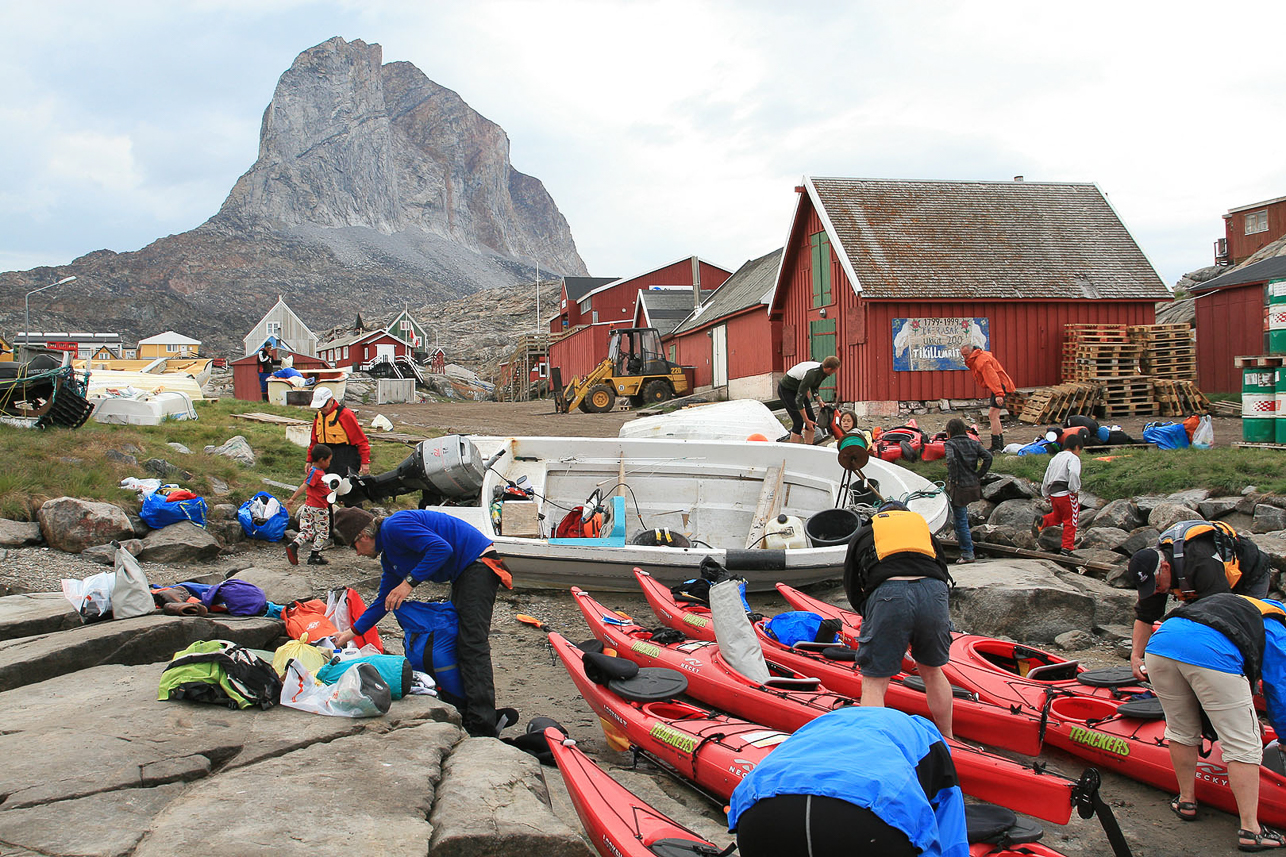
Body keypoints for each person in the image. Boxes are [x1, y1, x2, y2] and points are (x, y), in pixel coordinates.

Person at [331, 507, 514, 737]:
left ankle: (483, 725)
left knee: (472, 644)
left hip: (478, 564)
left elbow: (441, 549)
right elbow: (384, 602)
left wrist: (408, 583)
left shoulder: (395, 526)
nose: (357, 554)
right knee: (456, 640)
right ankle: (468, 710)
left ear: (363, 536)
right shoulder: (390, 557)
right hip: (463, 572)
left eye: (353, 546)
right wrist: (350, 633)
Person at [1144, 592, 1286, 851]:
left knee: (1180, 728)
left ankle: (1186, 800)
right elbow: (1279, 690)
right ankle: (1250, 830)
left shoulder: (1244, 602)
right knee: (1243, 744)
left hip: (1160, 644)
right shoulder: (1278, 627)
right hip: (1212, 654)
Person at [728, 706, 967, 857]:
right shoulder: (930, 740)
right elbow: (949, 825)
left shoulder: (819, 726)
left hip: (761, 815)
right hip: (862, 826)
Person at [844, 502, 954, 738]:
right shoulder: (922, 530)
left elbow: (852, 584)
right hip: (934, 592)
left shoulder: (866, 532)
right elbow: (943, 571)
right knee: (932, 670)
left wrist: (868, 613)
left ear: (880, 515)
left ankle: (874, 742)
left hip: (888, 593)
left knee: (874, 679)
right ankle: (949, 736)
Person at [1129, 523, 1274, 682]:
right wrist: (1136, 656)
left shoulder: (1199, 560)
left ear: (1165, 567)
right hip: (1209, 586)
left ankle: (1250, 679)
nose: (1154, 591)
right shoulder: (1156, 576)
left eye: (1155, 585)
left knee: (1243, 628)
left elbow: (1223, 614)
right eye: (1149, 588)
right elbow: (1144, 617)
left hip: (1249, 576)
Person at [943, 418, 991, 564]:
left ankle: (967, 553)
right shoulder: (974, 443)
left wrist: (954, 477)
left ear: (949, 432)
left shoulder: (950, 444)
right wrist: (979, 475)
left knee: (960, 520)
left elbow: (951, 460)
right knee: (962, 517)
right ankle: (964, 544)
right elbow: (988, 457)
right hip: (973, 485)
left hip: (959, 486)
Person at [1034, 431, 1083, 557]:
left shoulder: (1055, 458)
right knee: (1071, 520)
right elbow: (1073, 473)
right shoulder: (1073, 458)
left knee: (1058, 516)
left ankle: (1042, 522)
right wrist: (1074, 489)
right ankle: (1067, 547)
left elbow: (1047, 477)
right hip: (1066, 493)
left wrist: (1045, 494)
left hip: (1053, 494)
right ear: (1077, 447)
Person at [959, 343, 1015, 452]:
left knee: (993, 415)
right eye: (963, 355)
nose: (964, 357)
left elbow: (993, 377)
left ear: (972, 351)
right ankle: (999, 445)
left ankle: (996, 446)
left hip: (999, 386)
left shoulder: (982, 361)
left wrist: (999, 394)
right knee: (994, 415)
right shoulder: (979, 357)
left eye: (966, 355)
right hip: (998, 386)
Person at [284, 444, 331, 566]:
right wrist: (292, 499)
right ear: (322, 460)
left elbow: (323, 490)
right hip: (319, 508)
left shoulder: (314, 471)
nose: (329, 463)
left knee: (307, 531)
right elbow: (305, 485)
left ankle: (294, 545)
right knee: (323, 532)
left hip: (308, 507)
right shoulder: (317, 473)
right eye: (328, 460)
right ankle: (314, 555)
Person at [307, 387, 371, 478]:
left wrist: (365, 462)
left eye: (323, 405)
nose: (321, 409)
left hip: (345, 456)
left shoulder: (345, 414)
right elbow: (314, 441)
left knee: (345, 487)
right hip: (324, 456)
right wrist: (309, 460)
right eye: (319, 407)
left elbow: (361, 440)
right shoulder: (318, 416)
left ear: (331, 400)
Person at [778, 356, 840, 444]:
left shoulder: (824, 373)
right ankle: (794, 450)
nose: (835, 372)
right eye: (834, 370)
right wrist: (806, 420)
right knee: (798, 421)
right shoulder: (812, 374)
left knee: (812, 419)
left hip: (798, 389)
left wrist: (819, 400)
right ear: (829, 368)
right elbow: (799, 400)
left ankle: (809, 446)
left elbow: (814, 387)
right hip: (787, 390)